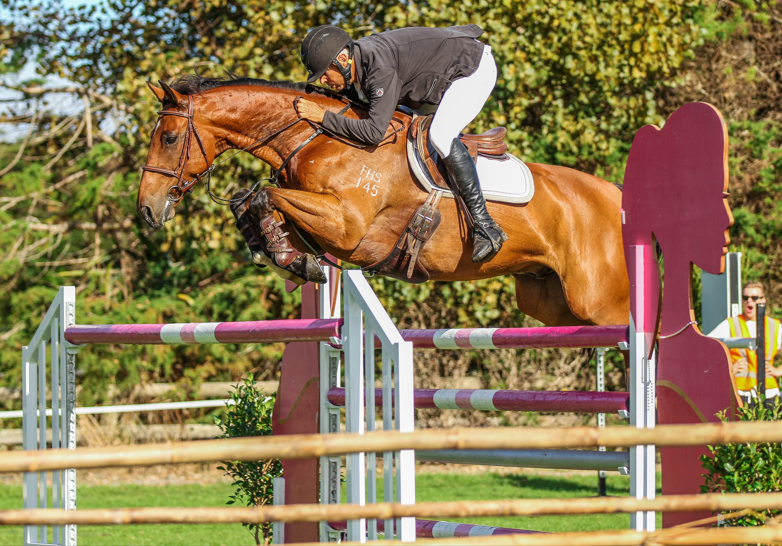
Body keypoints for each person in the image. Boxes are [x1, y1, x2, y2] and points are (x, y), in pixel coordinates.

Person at [295, 24, 507, 263]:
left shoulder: (378, 67)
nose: (323, 80)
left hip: (472, 68)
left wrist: (323, 117)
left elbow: (374, 132)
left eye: (324, 73)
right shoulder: (360, 65)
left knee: (441, 135)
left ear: (342, 60)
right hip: (435, 77)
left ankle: (486, 226)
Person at [707, 281, 782, 404]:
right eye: (745, 298)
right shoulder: (731, 323)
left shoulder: (775, 325)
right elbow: (706, 347)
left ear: (763, 300)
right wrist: (728, 369)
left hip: (769, 394)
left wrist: (778, 370)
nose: (749, 301)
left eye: (754, 298)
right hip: (741, 393)